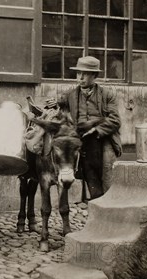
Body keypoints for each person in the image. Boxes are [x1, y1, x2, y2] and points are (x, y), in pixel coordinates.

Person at [47, 56, 122, 200]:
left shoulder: (107, 95)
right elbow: (61, 106)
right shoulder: (71, 95)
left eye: (85, 74)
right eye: (78, 73)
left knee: (107, 177)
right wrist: (55, 104)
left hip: (103, 140)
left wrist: (96, 130)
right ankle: (95, 207)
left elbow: (115, 120)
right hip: (83, 142)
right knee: (90, 179)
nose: (80, 77)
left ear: (94, 76)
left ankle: (110, 210)